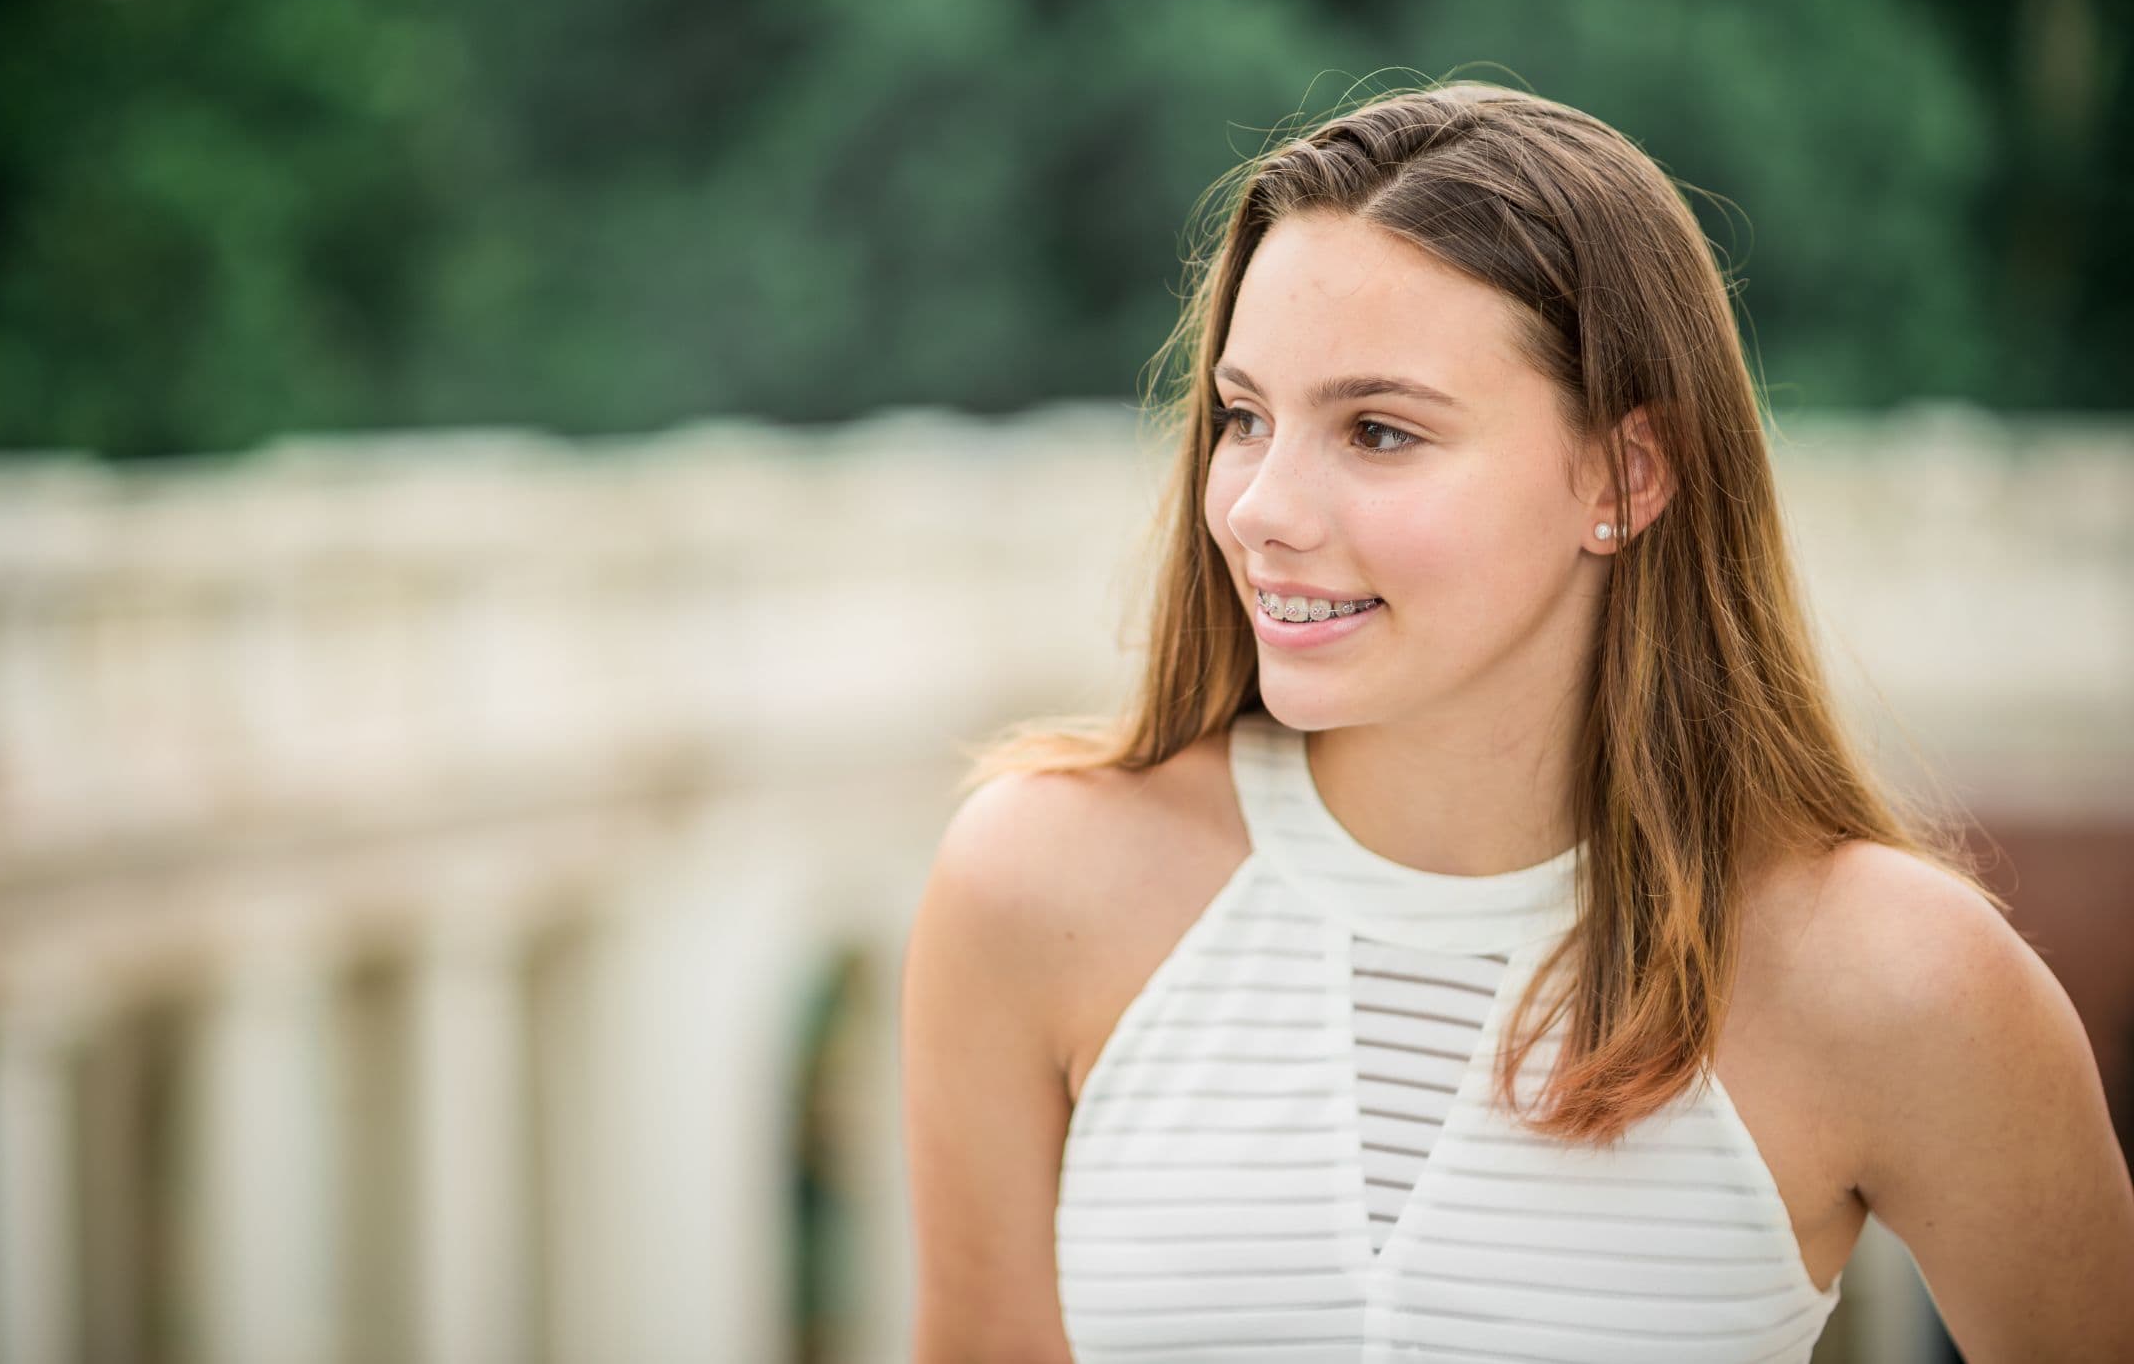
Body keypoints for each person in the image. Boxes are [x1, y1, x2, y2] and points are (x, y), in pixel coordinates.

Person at [899, 80, 2134, 1362]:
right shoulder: (1035, 887)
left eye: (1377, 431)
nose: (1258, 506)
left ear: (1624, 472)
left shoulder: (1893, 981)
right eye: (1243, 416)